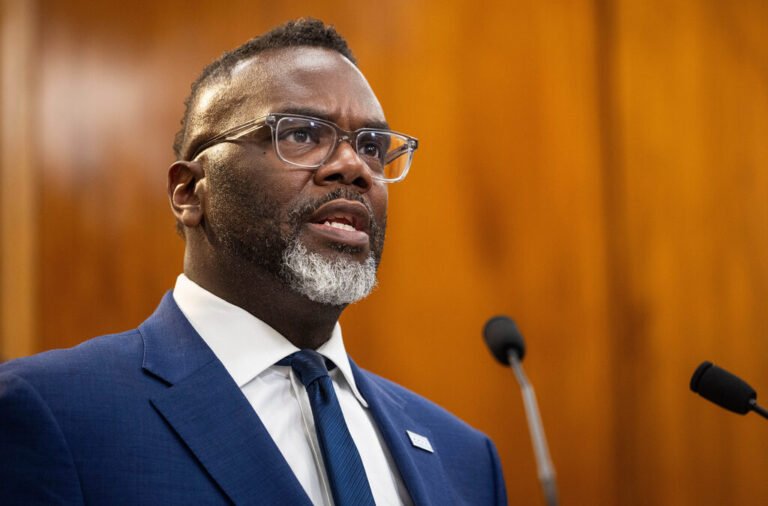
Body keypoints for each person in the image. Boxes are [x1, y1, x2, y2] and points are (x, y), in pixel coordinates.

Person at [0, 19, 507, 505]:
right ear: (189, 191)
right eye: (302, 134)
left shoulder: (465, 459)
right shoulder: (57, 414)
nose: (354, 167)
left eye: (372, 146)